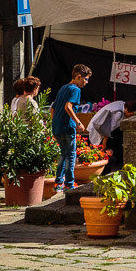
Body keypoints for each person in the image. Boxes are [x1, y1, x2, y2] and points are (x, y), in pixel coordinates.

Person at [52, 64, 91, 193]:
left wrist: (54, 123)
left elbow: (53, 108)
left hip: (57, 127)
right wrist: (78, 122)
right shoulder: (75, 90)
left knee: (64, 155)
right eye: (85, 79)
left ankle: (58, 183)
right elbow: (68, 107)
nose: (86, 82)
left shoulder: (63, 88)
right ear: (78, 77)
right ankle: (69, 185)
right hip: (67, 127)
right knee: (70, 156)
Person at [87, 99, 136, 175]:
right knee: (104, 154)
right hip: (100, 130)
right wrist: (104, 144)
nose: (130, 116)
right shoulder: (118, 113)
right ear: (127, 109)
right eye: (130, 114)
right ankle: (102, 174)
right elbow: (109, 130)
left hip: (102, 129)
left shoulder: (122, 104)